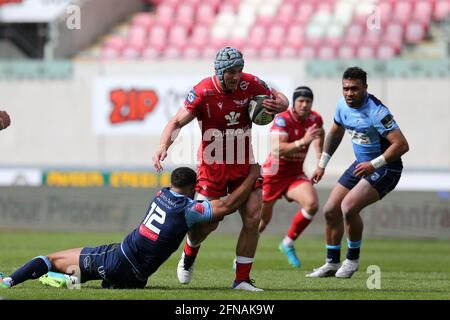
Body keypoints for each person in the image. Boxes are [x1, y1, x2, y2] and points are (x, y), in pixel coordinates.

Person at [152, 46, 289, 291]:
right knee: (207, 224)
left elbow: (279, 97)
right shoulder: (203, 92)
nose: (236, 76)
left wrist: (282, 104)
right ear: (219, 71)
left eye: (239, 70)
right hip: (212, 167)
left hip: (244, 164)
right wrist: (164, 145)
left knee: (253, 216)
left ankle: (242, 280)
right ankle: (190, 253)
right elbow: (176, 122)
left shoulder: (251, 84)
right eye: (231, 72)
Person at [0, 165, 261, 289]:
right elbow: (227, 206)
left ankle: (8, 281)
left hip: (117, 258)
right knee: (95, 278)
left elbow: (217, 205)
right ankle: (68, 279)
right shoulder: (190, 210)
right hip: (138, 278)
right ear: (194, 189)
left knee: (50, 259)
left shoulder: (161, 194)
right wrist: (252, 175)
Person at [307, 67, 409, 278]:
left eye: (354, 89)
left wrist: (374, 164)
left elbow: (401, 145)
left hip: (386, 167)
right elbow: (335, 132)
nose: (349, 93)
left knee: (348, 207)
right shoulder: (342, 105)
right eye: (345, 88)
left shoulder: (378, 112)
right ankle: (331, 263)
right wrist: (322, 164)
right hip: (361, 164)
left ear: (365, 87)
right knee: (330, 210)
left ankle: (352, 260)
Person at [258, 86, 324, 269]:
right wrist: (304, 141)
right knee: (262, 222)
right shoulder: (282, 119)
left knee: (312, 204)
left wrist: (320, 162)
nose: (304, 105)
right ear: (294, 103)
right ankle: (242, 257)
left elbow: (320, 135)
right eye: (301, 101)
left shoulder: (315, 119)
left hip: (295, 174)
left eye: (308, 101)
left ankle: (287, 243)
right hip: (274, 174)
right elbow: (278, 149)